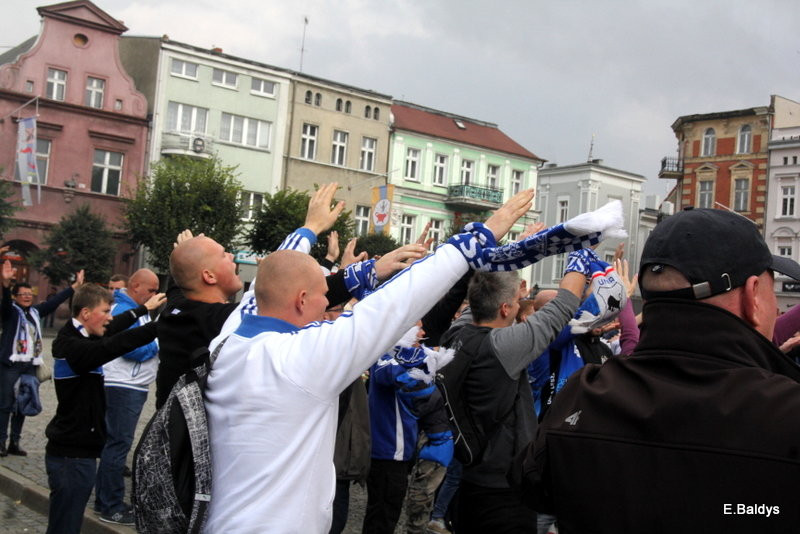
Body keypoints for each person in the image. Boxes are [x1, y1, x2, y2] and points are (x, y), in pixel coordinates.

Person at [520, 208, 800, 532]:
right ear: (753, 295)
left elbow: (533, 486)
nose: (778, 308)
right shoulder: (787, 413)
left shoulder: (583, 397)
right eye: (771, 289)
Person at [439, 262, 589, 534]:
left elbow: (483, 293)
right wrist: (581, 258)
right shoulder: (503, 347)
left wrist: (512, 258)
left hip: (470, 478)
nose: (520, 305)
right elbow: (564, 306)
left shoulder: (457, 334)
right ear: (505, 309)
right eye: (516, 301)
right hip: (503, 492)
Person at [45, 283, 164, 534]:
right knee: (64, 526)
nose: (110, 317)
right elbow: (115, 344)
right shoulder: (73, 347)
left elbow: (112, 327)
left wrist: (142, 309)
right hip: (72, 454)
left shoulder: (79, 333)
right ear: (86, 314)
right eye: (105, 311)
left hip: (78, 451)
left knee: (67, 522)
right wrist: (160, 326)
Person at [94, 268, 161, 525]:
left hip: (129, 384)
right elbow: (131, 348)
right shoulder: (125, 309)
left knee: (115, 444)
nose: (154, 295)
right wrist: (158, 344)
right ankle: (110, 505)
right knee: (117, 445)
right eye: (151, 290)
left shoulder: (133, 308)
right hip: (124, 385)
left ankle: (105, 499)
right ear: (135, 286)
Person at [0, 255, 82, 457]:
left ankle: (15, 442)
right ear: (15, 296)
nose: (27, 297)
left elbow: (53, 302)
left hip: (29, 365)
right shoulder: (10, 313)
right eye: (23, 294)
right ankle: (1, 442)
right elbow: (4, 304)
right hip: (10, 365)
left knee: (22, 404)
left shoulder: (36, 312)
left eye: (30, 294)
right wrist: (4, 284)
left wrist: (73, 287)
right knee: (5, 405)